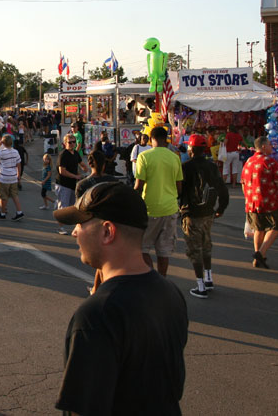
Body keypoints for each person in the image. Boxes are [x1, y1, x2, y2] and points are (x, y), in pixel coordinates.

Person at [53, 182, 188, 415]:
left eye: (81, 223)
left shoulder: (97, 315)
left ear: (107, 232)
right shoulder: (171, 293)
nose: (75, 232)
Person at [179, 135, 229, 298]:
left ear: (191, 149)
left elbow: (179, 190)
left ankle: (200, 286)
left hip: (191, 213)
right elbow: (222, 188)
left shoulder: (185, 167)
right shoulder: (212, 166)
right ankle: (209, 277)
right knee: (206, 245)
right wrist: (221, 207)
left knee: (194, 250)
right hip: (208, 212)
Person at [133, 127, 183, 276]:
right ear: (165, 138)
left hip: (150, 208)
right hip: (170, 209)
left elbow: (138, 186)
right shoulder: (175, 157)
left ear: (151, 139)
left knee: (141, 248)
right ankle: (162, 280)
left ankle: (151, 276)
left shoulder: (144, 156)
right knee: (164, 251)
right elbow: (179, 187)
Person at [242, 136, 278, 269]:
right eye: (269, 144)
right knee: (277, 225)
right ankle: (261, 253)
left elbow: (243, 183)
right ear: (263, 146)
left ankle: (259, 257)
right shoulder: (271, 162)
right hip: (270, 201)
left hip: (252, 202)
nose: (271, 147)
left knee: (259, 228)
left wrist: (247, 197)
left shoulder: (248, 162)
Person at [55, 133, 88, 235]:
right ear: (65, 143)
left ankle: (76, 228)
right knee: (64, 207)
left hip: (73, 184)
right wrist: (76, 176)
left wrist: (86, 170)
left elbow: (82, 164)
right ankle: (60, 227)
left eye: (74, 142)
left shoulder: (75, 153)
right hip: (63, 184)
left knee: (74, 207)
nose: (72, 144)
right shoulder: (63, 155)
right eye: (70, 142)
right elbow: (62, 171)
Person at [0, 134, 24, 221]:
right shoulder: (15, 152)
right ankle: (19, 212)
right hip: (13, 176)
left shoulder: (2, 153)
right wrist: (18, 174)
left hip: (4, 177)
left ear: (3, 143)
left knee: (3, 196)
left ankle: (2, 213)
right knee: (15, 195)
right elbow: (19, 164)